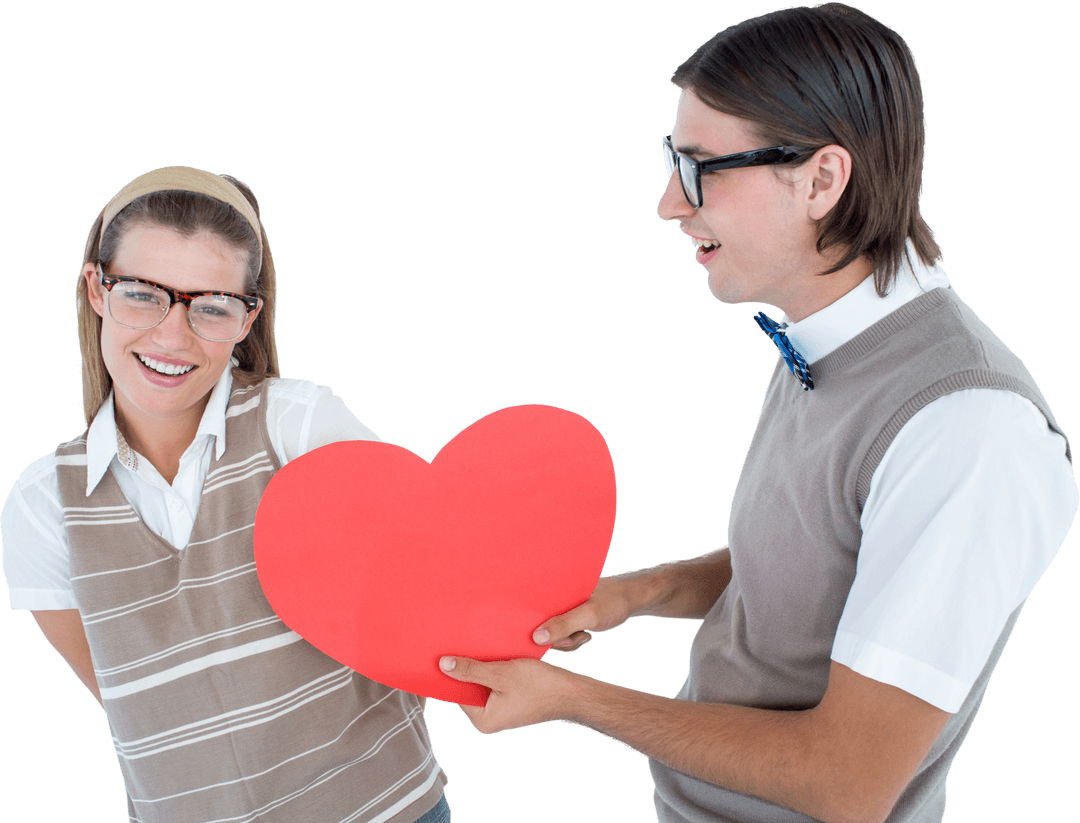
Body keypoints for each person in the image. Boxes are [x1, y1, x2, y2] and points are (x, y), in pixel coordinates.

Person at [436, 5, 1078, 823]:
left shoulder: (967, 431)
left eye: (701, 167)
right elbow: (811, 562)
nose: (670, 203)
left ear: (821, 180)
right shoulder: (822, 328)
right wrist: (631, 596)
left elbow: (846, 784)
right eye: (673, 160)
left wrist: (572, 699)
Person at [1, 167, 451, 823]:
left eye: (211, 306)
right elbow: (131, 700)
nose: (172, 336)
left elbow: (435, 569)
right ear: (95, 289)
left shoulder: (297, 425)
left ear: (247, 319)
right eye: (141, 294)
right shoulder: (42, 508)